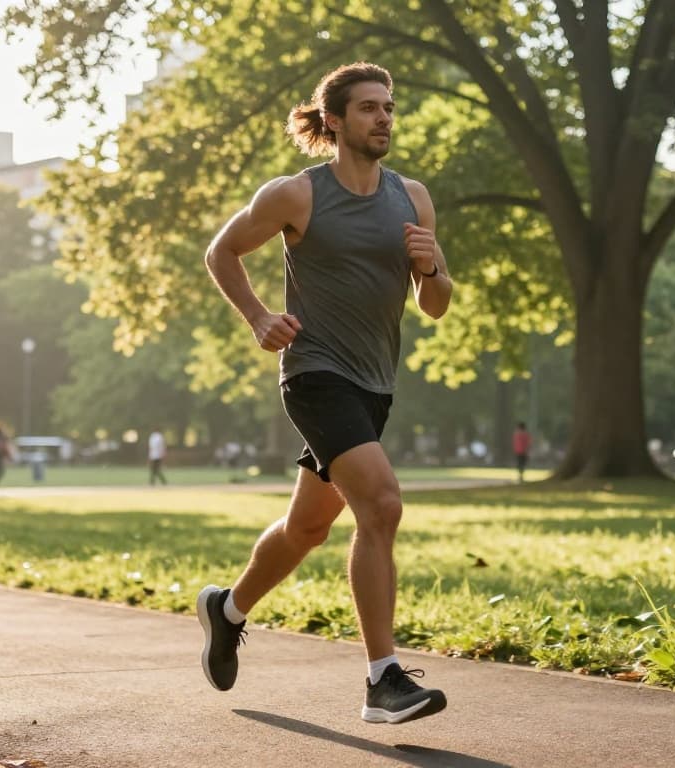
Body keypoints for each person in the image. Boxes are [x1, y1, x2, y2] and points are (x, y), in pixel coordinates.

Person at [197, 62, 453, 725]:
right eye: (369, 108)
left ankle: (226, 610)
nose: (384, 118)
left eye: (390, 107)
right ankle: (382, 680)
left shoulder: (413, 198)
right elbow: (222, 252)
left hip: (375, 385)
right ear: (334, 120)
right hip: (315, 375)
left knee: (309, 527)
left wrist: (430, 267)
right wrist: (258, 316)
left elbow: (437, 305)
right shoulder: (296, 195)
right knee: (383, 504)